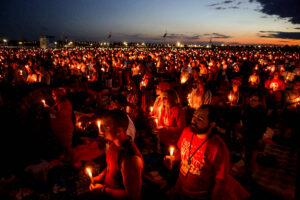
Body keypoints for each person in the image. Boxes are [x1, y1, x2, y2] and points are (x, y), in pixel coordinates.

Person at [164, 105, 249, 200]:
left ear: (212, 124)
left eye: (200, 119)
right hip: (181, 189)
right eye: (194, 116)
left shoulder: (217, 147)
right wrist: (173, 158)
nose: (194, 120)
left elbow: (220, 180)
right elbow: (181, 151)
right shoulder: (187, 131)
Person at [89, 110, 144, 200]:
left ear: (118, 131)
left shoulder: (130, 159)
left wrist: (103, 190)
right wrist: (100, 176)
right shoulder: (114, 144)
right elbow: (111, 166)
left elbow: (133, 196)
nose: (101, 130)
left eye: (106, 127)